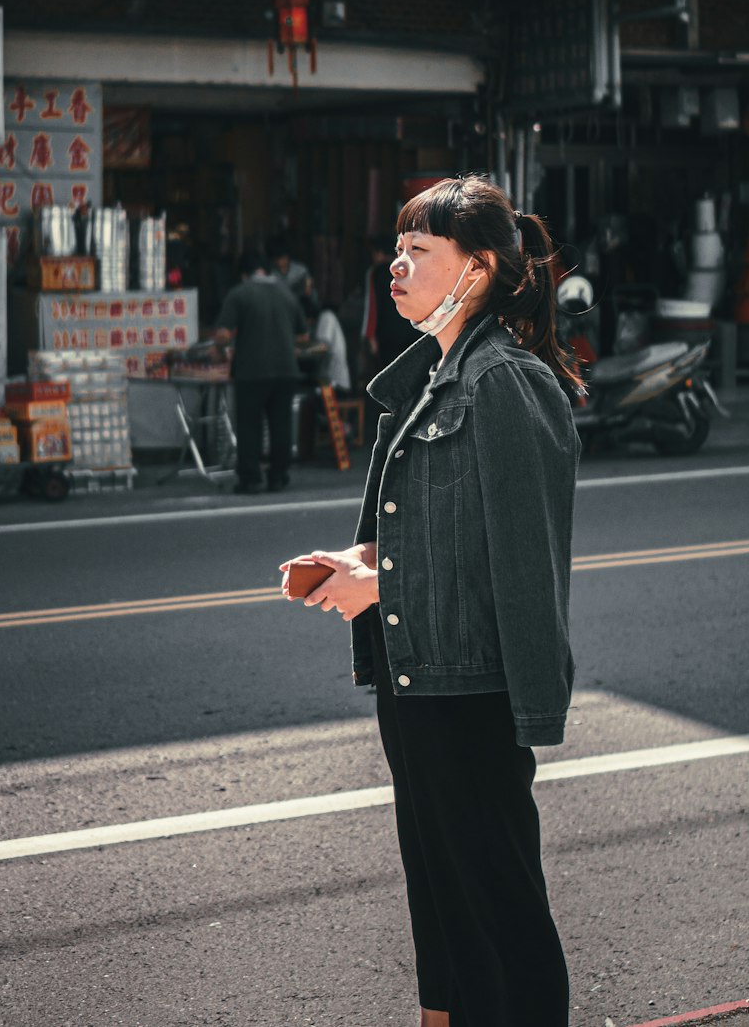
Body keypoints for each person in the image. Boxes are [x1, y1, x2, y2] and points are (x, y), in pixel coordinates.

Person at [280, 175, 582, 1027]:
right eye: (396, 250)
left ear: (478, 269)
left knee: (496, 906)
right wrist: (359, 558)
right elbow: (437, 528)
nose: (396, 267)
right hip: (418, 679)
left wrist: (380, 584)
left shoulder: (505, 384)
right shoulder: (428, 378)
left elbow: (517, 562)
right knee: (441, 900)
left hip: (471, 689)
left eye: (419, 251)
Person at [214, 249, 306, 494]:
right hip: (286, 369)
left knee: (249, 426)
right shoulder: (287, 293)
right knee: (280, 425)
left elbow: (223, 334)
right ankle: (278, 475)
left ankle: (251, 478)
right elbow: (304, 335)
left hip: (251, 370)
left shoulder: (239, 293)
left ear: (244, 274)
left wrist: (219, 347)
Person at [362, 231, 416, 374]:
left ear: (379, 252)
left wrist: (369, 335)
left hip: (387, 334)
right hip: (412, 329)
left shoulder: (376, 272)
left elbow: (371, 306)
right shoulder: (409, 268)